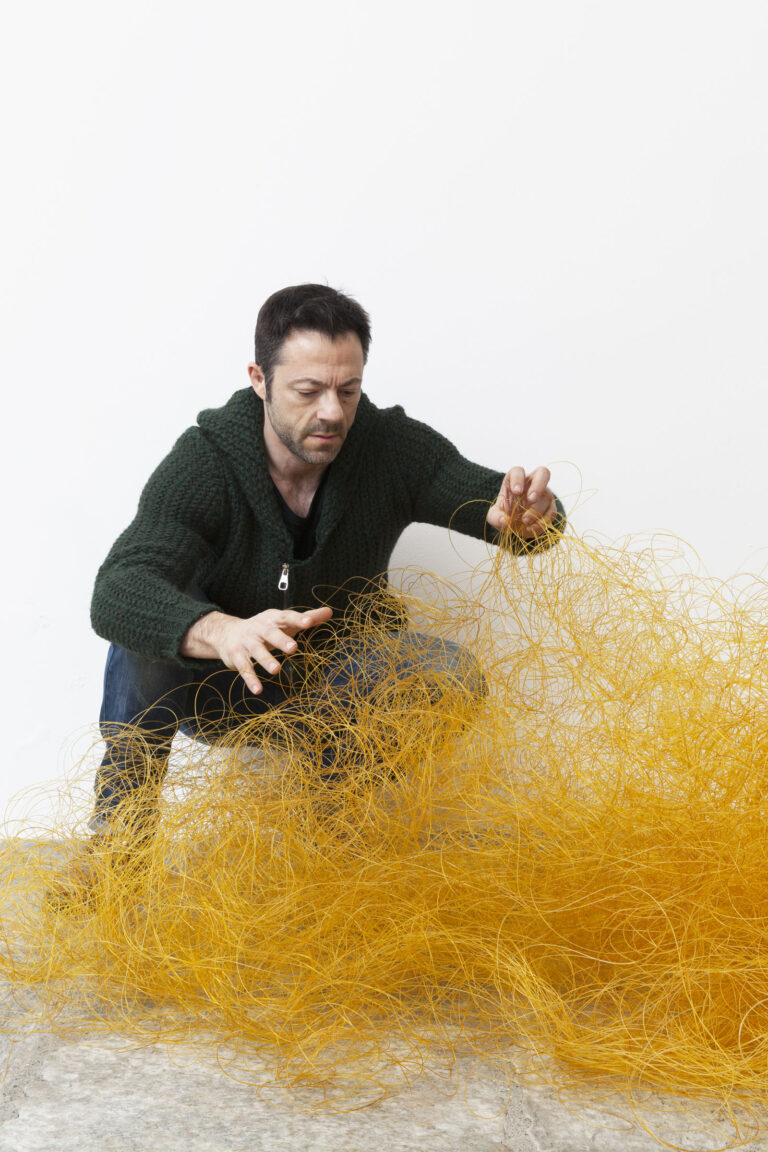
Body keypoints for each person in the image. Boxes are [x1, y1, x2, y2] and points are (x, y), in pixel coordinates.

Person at [73, 284, 567, 882]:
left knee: (448, 675)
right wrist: (222, 630)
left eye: (348, 390)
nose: (332, 411)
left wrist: (533, 518)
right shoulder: (206, 460)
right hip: (222, 682)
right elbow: (118, 587)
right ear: (260, 379)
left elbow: (501, 505)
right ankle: (116, 856)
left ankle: (323, 836)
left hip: (334, 686)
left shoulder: (389, 448)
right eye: (307, 391)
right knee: (140, 647)